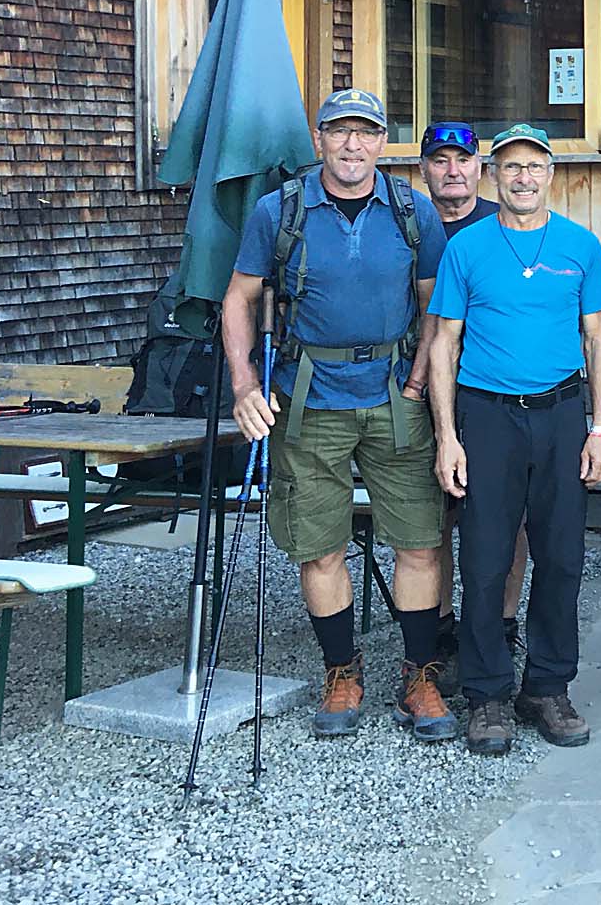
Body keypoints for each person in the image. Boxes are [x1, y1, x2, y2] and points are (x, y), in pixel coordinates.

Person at [223, 88, 455, 743]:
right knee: (318, 546)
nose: (353, 145)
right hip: (307, 400)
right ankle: (341, 671)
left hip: (395, 399)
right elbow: (238, 299)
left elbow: (436, 309)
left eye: (366, 132)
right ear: (319, 138)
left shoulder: (413, 211)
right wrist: (244, 384)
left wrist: (417, 382)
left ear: (383, 142)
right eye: (340, 131)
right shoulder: (280, 211)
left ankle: (419, 675)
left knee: (419, 541)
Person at [427, 124, 601, 755]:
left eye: (535, 167)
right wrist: (447, 437)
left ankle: (548, 687)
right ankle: (486, 694)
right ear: (494, 176)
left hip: (561, 415)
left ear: (551, 175)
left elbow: (598, 339)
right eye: (511, 167)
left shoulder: (580, 246)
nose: (524, 178)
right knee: (485, 558)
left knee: (562, 557)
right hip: (487, 415)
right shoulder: (466, 248)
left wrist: (599, 426)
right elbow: (444, 343)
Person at [415, 120, 525, 694]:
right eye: (440, 160)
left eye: (462, 160)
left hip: (493, 394)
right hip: (423, 392)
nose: (452, 170)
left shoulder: (505, 223)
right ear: (423, 169)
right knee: (432, 515)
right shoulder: (409, 223)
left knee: (507, 517)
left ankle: (502, 625)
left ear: (480, 168)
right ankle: (440, 632)